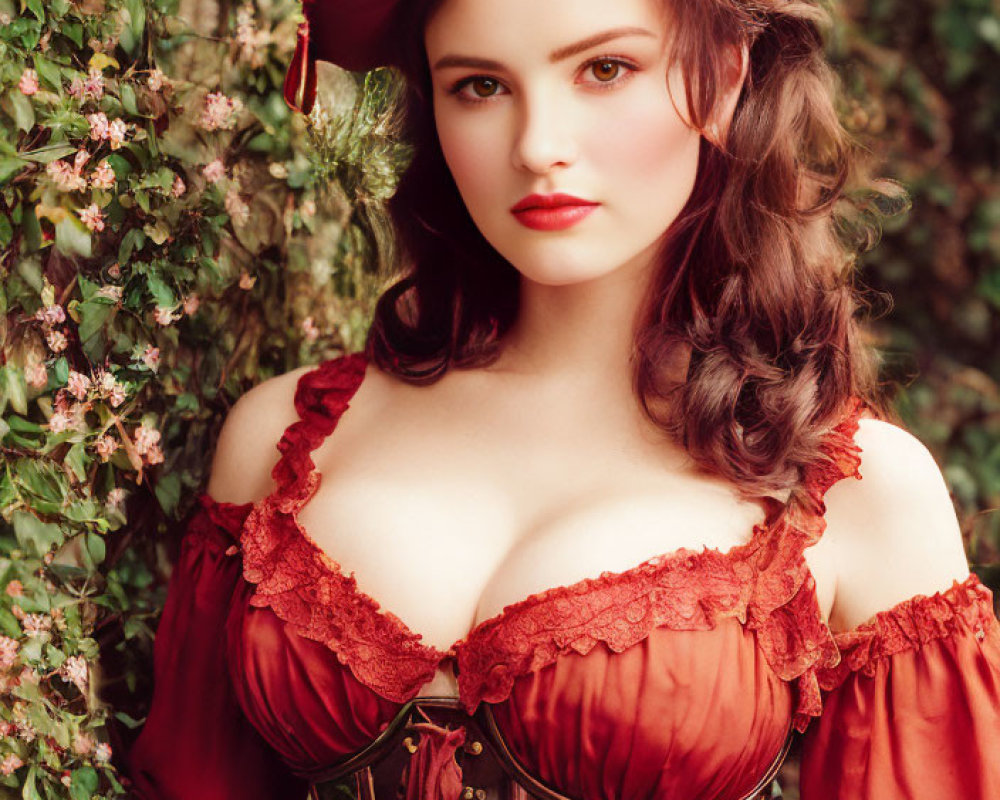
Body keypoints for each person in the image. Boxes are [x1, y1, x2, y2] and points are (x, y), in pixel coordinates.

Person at [125, 0, 1000, 797]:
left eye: (603, 69)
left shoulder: (859, 496)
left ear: (725, 76)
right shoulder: (285, 440)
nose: (537, 144)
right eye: (478, 85)